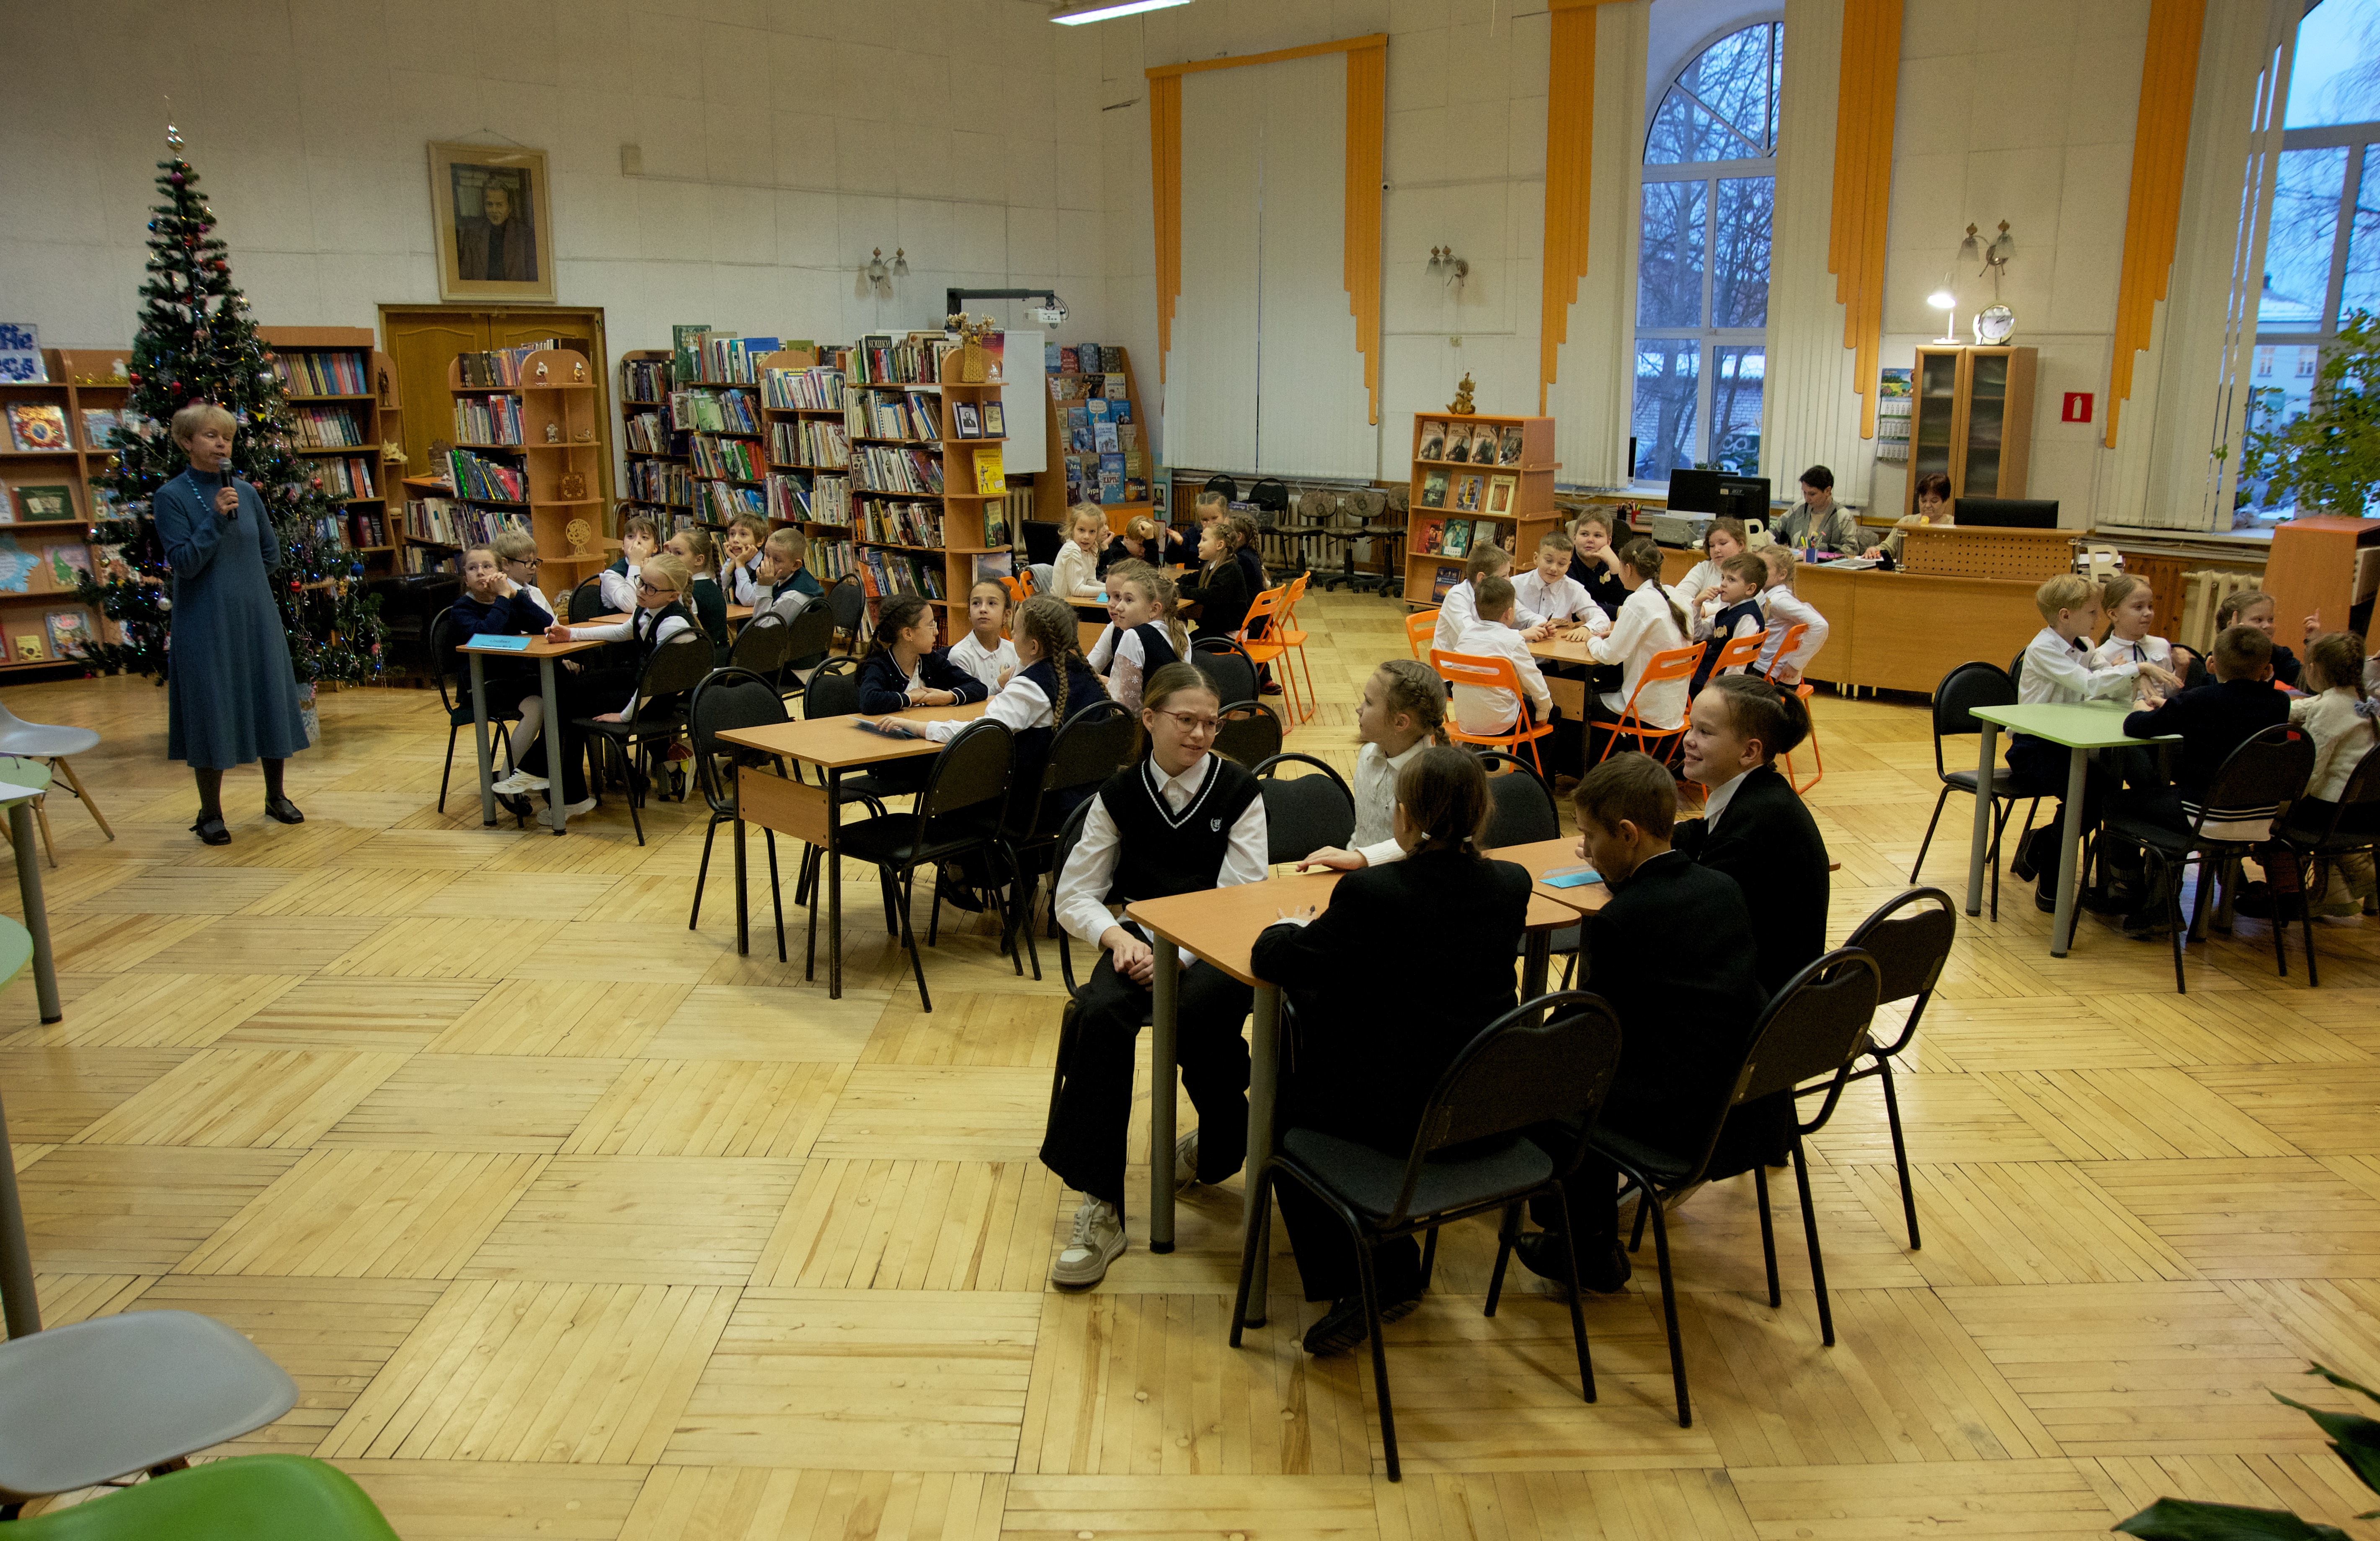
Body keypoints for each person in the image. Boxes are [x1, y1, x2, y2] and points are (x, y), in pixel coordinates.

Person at [1251, 747, 1533, 1353]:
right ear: (1482, 814)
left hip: (1394, 1109)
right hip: (1483, 1100)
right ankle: (1390, 1258)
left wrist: (1285, 929)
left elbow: (1277, 960)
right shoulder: (1513, 883)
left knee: (1284, 1115)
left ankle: (1364, 1277)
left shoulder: (1373, 893)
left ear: (1403, 817)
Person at [1042, 663, 1267, 1288]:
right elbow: (1075, 894)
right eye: (1186, 720)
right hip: (1137, 940)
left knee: (1196, 1014)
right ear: (1149, 718)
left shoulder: (1238, 789)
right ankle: (1101, 1203)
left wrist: (1175, 955)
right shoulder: (1119, 792)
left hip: (1214, 944)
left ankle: (1223, 1138)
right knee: (1098, 1014)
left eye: (1210, 723)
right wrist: (1117, 939)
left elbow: (1241, 895)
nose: (1200, 734)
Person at [1509, 752, 1768, 1293]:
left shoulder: (1623, 921)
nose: (1584, 849)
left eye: (1589, 836)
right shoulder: (1723, 889)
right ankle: (1587, 1235)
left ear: (1627, 834)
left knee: (1556, 1082)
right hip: (1737, 1098)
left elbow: (1589, 1031)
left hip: (1673, 1116)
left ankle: (1581, 1245)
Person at [151, 402, 310, 844]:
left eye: (227, 437)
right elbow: (185, 563)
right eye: (211, 435)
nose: (222, 444)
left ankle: (276, 796)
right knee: (211, 707)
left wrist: (246, 583)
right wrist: (216, 519)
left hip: (256, 615)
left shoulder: (246, 492)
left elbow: (270, 554)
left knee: (269, 699)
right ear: (186, 442)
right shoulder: (171, 496)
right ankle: (210, 812)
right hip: (204, 619)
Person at [2005, 574, 2180, 910]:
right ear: (2065, 615)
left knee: (2103, 795)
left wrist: (2135, 677)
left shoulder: (2084, 644)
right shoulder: (2043, 649)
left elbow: (2106, 680)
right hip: (2034, 747)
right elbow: (2088, 683)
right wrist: (2137, 669)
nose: (2097, 619)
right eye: (2091, 612)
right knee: (2085, 796)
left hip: (2070, 743)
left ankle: (2042, 842)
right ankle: (2052, 875)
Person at [2114, 624, 2294, 935]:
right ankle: (2161, 901)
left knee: (2116, 802)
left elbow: (2137, 727)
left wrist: (2141, 707)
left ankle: (2133, 893)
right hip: (2258, 818)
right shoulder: (2280, 703)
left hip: (2203, 816)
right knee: (2168, 801)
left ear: (2211, 664)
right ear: (2267, 670)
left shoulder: (2199, 700)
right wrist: (2174, 710)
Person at [867, 595, 1107, 815]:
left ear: (1034, 647)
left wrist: (918, 727)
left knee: (956, 780)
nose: (1012, 635)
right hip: (1081, 800)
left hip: (1028, 807)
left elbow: (978, 733)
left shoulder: (1030, 688)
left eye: (1016, 630)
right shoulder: (1085, 675)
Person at [1674, 676, 1830, 997]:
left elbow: (1690, 916)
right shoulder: (1764, 792)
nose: (1688, 740)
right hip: (1769, 990)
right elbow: (1703, 832)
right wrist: (1648, 837)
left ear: (1749, 751)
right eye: (1691, 727)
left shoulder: (1753, 829)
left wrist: (1624, 865)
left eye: (1705, 732)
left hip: (1760, 1007)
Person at [522, 552, 709, 816]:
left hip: (657, 699)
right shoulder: (648, 608)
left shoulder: (674, 625)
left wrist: (624, 716)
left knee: (572, 707)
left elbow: (654, 684)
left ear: (673, 596)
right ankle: (544, 771)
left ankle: (559, 786)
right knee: (570, 689)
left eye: (651, 588)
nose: (641, 591)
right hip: (644, 682)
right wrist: (571, 634)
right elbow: (622, 631)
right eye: (641, 582)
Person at [1294, 659, 1447, 873]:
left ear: (1400, 722)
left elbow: (1425, 842)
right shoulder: (1368, 754)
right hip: (1363, 873)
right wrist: (1353, 858)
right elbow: (1364, 828)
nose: (1359, 709)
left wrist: (1361, 858)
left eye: (1369, 702)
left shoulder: (1431, 777)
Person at [2284, 631, 2380, 919]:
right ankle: (2334, 889)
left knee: (2267, 811)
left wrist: (2289, 800)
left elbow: (2312, 769)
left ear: (2314, 668)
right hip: (2368, 810)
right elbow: (2308, 706)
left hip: (2334, 814)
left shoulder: (2328, 707)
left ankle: (2355, 865)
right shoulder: (2364, 701)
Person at [1581, 539, 1693, 764]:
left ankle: (1598, 769)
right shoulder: (1675, 595)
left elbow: (1610, 656)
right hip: (1673, 708)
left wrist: (1591, 640)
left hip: (1643, 709)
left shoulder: (1638, 601)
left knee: (1579, 702)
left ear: (1628, 568)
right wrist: (1617, 635)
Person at [1446, 575, 1552, 740]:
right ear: (1509, 613)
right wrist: (1544, 712)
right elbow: (1534, 680)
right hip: (1503, 725)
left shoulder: (1465, 635)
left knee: (1518, 703)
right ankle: (1521, 759)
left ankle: (1480, 748)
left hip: (1465, 721)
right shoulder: (1513, 640)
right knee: (1552, 712)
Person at [1087, 560, 1186, 716]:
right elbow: (1088, 668)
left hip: (1148, 723)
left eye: (1124, 598)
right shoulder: (1178, 628)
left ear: (1153, 607)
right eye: (1108, 597)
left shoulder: (1134, 636)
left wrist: (1111, 685)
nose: (1114, 605)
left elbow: (1127, 709)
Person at [1434, 544, 1552, 656]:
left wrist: (1541, 626)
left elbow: (1527, 616)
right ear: (1482, 578)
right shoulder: (1457, 596)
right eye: (1503, 576)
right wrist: (1519, 635)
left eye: (1508, 574)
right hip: (1452, 664)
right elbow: (1472, 636)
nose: (1509, 580)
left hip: (1487, 659)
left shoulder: (1498, 594)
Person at [2181, 590, 2313, 689]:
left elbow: (2311, 684)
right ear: (2232, 626)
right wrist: (2234, 643)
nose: (2268, 626)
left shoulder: (2278, 655)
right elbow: (2212, 696)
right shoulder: (2217, 659)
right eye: (2258, 620)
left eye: (2271, 620)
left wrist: (2313, 644)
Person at [1686, 551, 1769, 697]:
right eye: (1723, 577)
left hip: (1714, 685)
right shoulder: (1728, 608)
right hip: (1704, 673)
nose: (1723, 583)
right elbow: (1698, 634)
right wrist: (1697, 604)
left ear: (1750, 589)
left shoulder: (1748, 617)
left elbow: (1737, 664)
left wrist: (1725, 696)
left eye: (1731, 580)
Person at [1751, 546, 1830, 683]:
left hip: (1772, 676)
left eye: (1764, 568)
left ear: (1782, 575)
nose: (1757, 573)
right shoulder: (1767, 595)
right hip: (1765, 669)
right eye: (1756, 567)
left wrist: (1795, 665)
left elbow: (1820, 625)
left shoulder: (1779, 601)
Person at [1179, 516, 1253, 642]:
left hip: (1229, 636)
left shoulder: (1230, 569)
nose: (1199, 545)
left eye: (1204, 540)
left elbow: (1210, 595)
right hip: (1216, 630)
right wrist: (1179, 584)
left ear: (1220, 545)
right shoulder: (1212, 566)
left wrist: (1181, 590)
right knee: (1181, 642)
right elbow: (1190, 579)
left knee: (1183, 646)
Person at [664, 527, 731, 662]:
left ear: (699, 560)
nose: (671, 559)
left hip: (704, 662)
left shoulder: (689, 594)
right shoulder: (711, 584)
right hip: (719, 657)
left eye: (678, 553)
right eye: (669, 552)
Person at [454, 176, 537, 283]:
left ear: (510, 207)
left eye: (499, 205)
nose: (494, 210)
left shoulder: (525, 236)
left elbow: (534, 280)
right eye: (490, 204)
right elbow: (464, 277)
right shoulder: (472, 234)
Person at [1513, 531, 1599, 629]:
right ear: (1536, 558)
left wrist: (1587, 629)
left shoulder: (1574, 589)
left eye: (1561, 564)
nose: (1554, 568)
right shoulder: (1514, 585)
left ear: (1568, 566)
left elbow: (1600, 617)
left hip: (1557, 638)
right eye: (1549, 561)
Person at [1773, 465, 1865, 556]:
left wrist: (1819, 548)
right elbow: (1776, 529)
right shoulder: (1799, 508)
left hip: (1825, 565)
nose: (1807, 499)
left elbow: (1852, 550)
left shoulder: (1843, 516)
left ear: (1828, 491)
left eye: (1812, 494)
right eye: (1804, 492)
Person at [948, 579, 1020, 693]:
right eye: (976, 603)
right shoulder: (960, 655)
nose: (983, 609)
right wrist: (999, 685)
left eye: (992, 603)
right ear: (969, 614)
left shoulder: (1015, 652)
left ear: (1006, 615)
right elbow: (967, 700)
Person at [1674, 517, 1749, 616]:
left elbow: (1740, 606)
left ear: (1740, 545)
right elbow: (1677, 597)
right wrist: (1697, 603)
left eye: (1723, 543)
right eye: (1712, 546)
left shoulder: (1750, 571)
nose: (1716, 550)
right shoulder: (1705, 568)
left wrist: (1704, 609)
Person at [1565, 508, 1630, 619]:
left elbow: (1625, 601)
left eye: (1598, 536)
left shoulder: (1608, 563)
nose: (1590, 540)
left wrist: (1615, 566)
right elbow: (1578, 607)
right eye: (1584, 534)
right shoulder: (1566, 565)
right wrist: (1617, 612)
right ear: (1574, 538)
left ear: (1609, 541)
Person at [1878, 472, 1954, 563]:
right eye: (1923, 501)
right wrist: (1875, 550)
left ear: (1945, 502)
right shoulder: (1906, 522)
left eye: (1934, 501)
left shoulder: (1954, 525)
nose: (1927, 506)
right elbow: (1887, 548)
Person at [600, 509, 659, 615]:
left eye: (645, 537)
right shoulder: (611, 575)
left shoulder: (658, 568)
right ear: (623, 545)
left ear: (655, 548)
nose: (637, 542)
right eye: (631, 537)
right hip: (620, 624)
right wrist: (635, 563)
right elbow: (631, 606)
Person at [1102, 513, 1185, 577]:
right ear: (1127, 538)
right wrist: (1151, 544)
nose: (1144, 551)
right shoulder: (1115, 554)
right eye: (1140, 545)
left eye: (1147, 546)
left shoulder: (1144, 554)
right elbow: (1149, 575)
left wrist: (1151, 543)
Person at [1054, 503, 1107, 599]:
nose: (1087, 537)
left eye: (1092, 531)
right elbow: (1077, 590)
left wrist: (1112, 588)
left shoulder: (1091, 549)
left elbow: (1090, 581)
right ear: (1072, 529)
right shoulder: (1072, 550)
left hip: (1078, 602)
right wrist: (1108, 590)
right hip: (1063, 605)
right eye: (1082, 530)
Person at [722, 513, 769, 606]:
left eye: (743, 534)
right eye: (732, 534)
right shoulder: (733, 560)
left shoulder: (766, 566)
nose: (735, 540)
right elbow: (715, 593)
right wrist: (733, 563)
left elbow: (748, 601)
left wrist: (740, 565)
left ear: (760, 541)